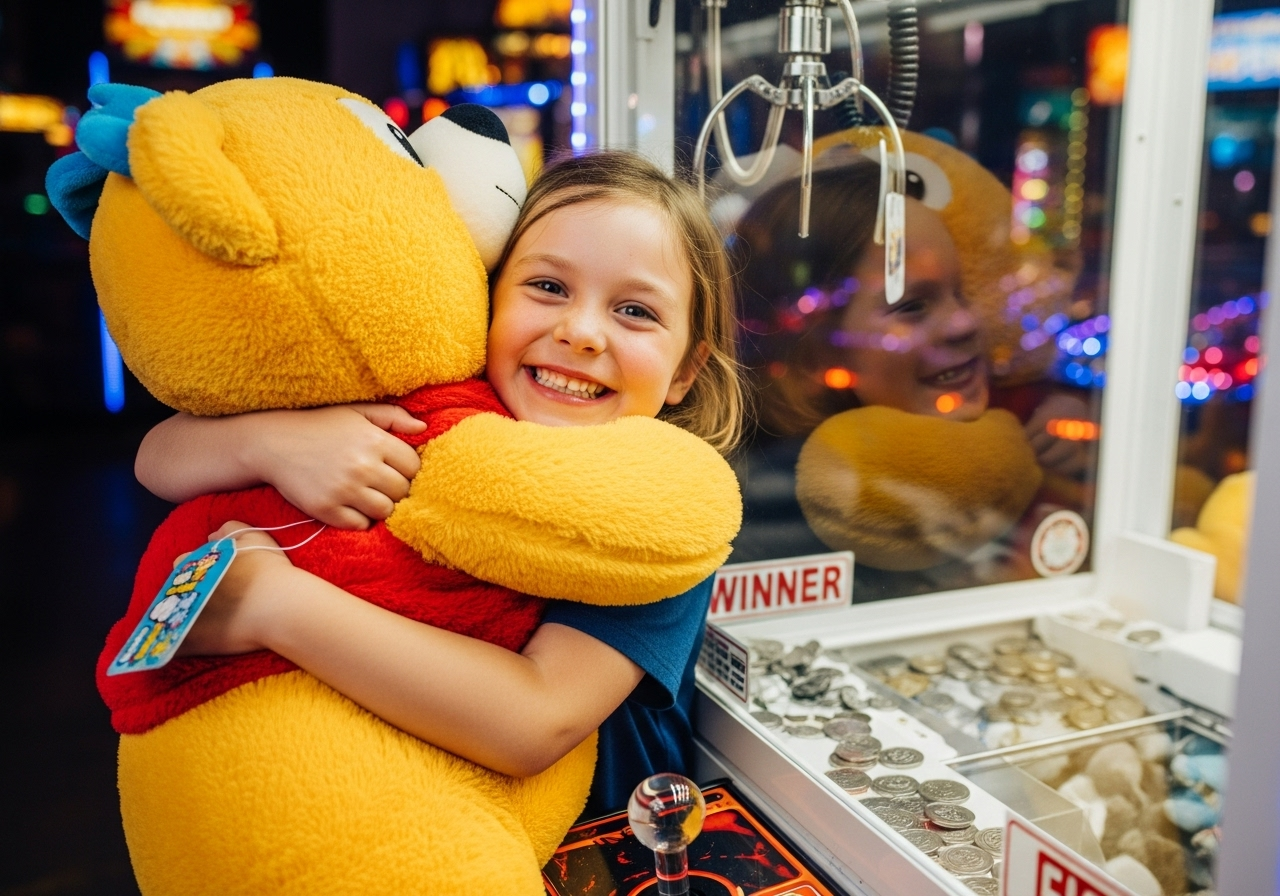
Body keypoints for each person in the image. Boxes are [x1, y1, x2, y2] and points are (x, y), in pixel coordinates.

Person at [135, 151, 743, 818]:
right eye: (547, 287)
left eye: (634, 310)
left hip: (590, 849)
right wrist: (274, 442)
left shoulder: (659, 507)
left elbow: (535, 719)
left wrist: (273, 605)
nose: (581, 333)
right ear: (483, 296)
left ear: (687, 369)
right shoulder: (429, 410)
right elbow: (157, 459)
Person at [731, 163, 1094, 591]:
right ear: (811, 348)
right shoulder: (768, 511)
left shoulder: (1014, 430)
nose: (965, 322)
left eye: (961, 292)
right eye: (912, 306)